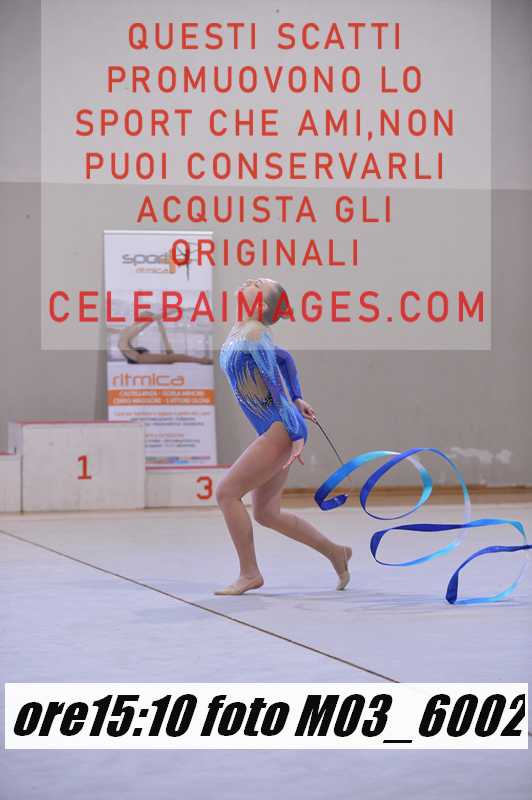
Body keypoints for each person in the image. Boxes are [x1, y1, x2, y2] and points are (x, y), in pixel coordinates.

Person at [215, 277, 352, 595]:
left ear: (261, 304)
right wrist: (299, 396)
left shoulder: (254, 332)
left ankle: (249, 573)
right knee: (266, 513)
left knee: (226, 493)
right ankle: (336, 552)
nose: (249, 280)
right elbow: (285, 358)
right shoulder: (243, 330)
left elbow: (274, 383)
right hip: (278, 426)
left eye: (257, 284)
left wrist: (294, 433)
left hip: (281, 428)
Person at [117, 312, 213, 365]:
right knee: (173, 357)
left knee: (172, 356)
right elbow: (146, 323)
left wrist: (160, 324)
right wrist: (172, 311)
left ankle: (201, 360)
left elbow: (148, 323)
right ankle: (201, 360)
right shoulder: (127, 333)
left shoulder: (129, 333)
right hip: (138, 357)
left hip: (139, 356)